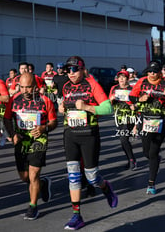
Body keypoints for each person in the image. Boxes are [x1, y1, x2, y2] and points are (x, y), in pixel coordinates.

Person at [59, 56, 118, 230]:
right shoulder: (66, 87)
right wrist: (62, 109)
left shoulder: (92, 84)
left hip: (89, 135)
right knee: (73, 176)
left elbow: (108, 108)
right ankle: (76, 215)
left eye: (74, 69)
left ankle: (105, 186)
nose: (71, 73)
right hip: (70, 133)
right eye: (68, 70)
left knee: (91, 176)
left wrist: (87, 107)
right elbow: (67, 108)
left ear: (83, 70)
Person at [3, 73, 58, 220]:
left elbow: (54, 122)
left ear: (35, 87)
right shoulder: (14, 99)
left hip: (38, 141)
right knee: (25, 177)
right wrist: (13, 133)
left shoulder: (45, 100)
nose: (25, 90)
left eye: (28, 87)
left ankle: (33, 207)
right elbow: (7, 118)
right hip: (21, 141)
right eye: (22, 87)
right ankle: (43, 183)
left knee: (33, 174)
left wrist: (43, 128)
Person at [129, 60, 165, 195]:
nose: (152, 74)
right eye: (150, 71)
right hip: (145, 120)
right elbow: (132, 96)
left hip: (161, 121)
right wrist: (139, 100)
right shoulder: (142, 82)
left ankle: (151, 183)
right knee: (146, 151)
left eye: (155, 71)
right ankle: (155, 160)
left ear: (159, 72)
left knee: (153, 152)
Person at [109, 70, 137, 171]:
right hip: (118, 117)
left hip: (129, 117)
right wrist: (111, 100)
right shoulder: (114, 88)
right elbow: (110, 104)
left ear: (127, 78)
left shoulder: (132, 89)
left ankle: (132, 160)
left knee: (124, 139)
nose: (121, 79)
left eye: (123, 77)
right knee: (123, 141)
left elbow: (138, 103)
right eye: (119, 77)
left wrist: (135, 106)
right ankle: (130, 159)